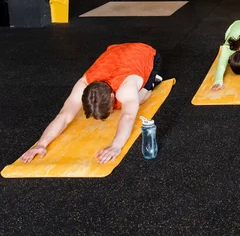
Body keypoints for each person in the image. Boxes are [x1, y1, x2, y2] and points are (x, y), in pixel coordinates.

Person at [20, 43, 162, 164]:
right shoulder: (83, 83)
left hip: (144, 52)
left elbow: (128, 117)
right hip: (115, 51)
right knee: (126, 102)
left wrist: (115, 146)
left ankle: (153, 80)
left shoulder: (125, 88)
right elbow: (64, 115)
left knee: (137, 100)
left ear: (112, 95)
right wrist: (41, 144)